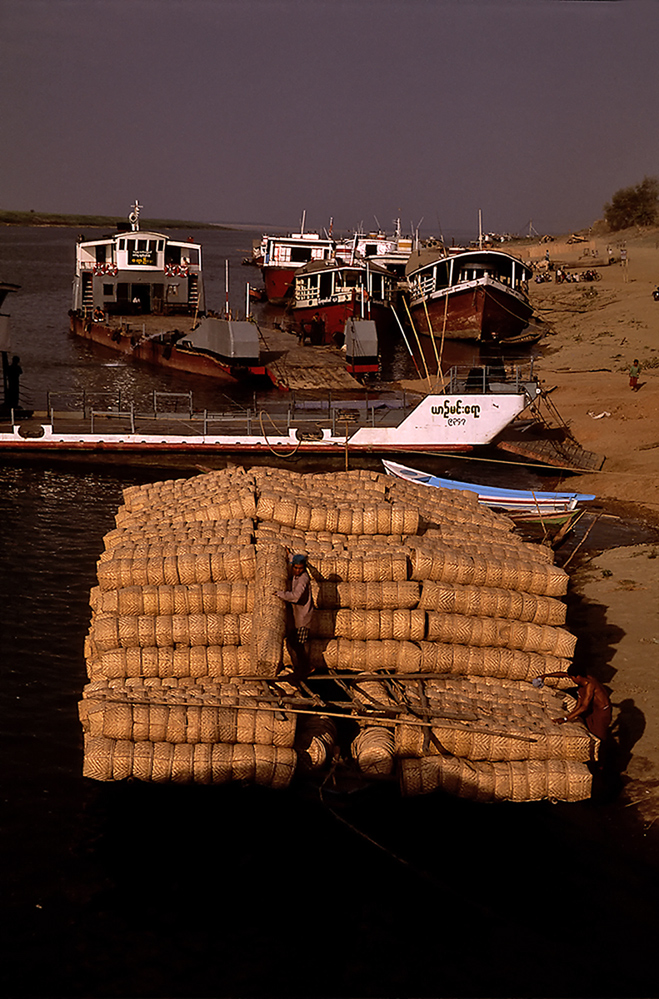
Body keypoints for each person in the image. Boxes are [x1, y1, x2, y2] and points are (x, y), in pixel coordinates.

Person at [537, 666, 613, 743]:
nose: (572, 680)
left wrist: (565, 719)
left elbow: (584, 707)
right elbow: (563, 674)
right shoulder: (583, 678)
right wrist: (546, 675)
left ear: (578, 676)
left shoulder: (590, 686)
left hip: (601, 711)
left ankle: (605, 752)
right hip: (593, 708)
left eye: (572, 678)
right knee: (589, 729)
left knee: (599, 737)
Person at [274, 551, 314, 681]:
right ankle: (301, 668)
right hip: (297, 617)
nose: (297, 570)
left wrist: (280, 594)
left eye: (300, 568)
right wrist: (288, 554)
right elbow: (293, 559)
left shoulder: (303, 579)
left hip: (303, 618)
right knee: (292, 640)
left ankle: (305, 669)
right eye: (296, 568)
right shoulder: (297, 574)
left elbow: (296, 596)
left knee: (299, 645)